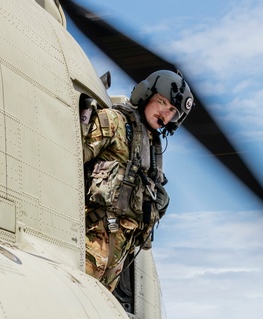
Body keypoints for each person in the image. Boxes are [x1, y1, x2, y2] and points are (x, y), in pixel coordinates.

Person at [82, 70, 193, 291]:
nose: (165, 113)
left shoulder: (152, 152)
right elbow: (73, 155)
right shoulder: (114, 122)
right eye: (162, 102)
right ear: (146, 95)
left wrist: (157, 205)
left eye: (172, 110)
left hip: (119, 254)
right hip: (91, 241)